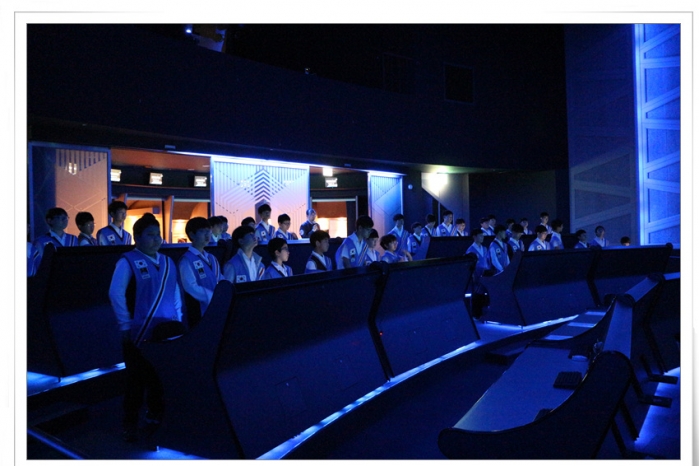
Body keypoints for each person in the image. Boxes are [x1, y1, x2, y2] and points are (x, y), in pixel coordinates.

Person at [108, 213, 183, 442]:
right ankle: (129, 423)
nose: (156, 239)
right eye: (150, 235)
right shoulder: (127, 261)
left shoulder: (168, 261)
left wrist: (178, 321)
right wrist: (125, 325)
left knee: (159, 379)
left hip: (165, 331)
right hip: (138, 332)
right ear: (137, 237)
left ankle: (154, 417)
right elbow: (115, 293)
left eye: (158, 234)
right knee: (136, 381)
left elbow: (175, 294)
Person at [178, 217, 224, 324]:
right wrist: (212, 297)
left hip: (216, 307)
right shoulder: (186, 260)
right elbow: (190, 287)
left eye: (209, 231)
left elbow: (221, 279)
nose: (207, 235)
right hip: (197, 311)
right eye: (203, 231)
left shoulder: (212, 258)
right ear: (192, 235)